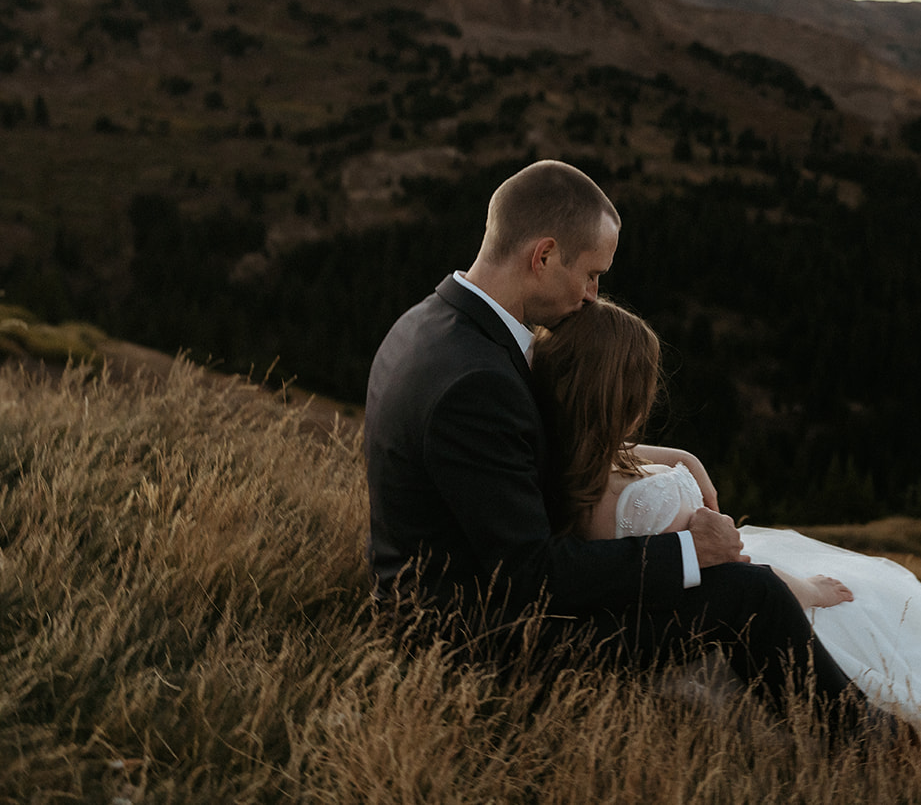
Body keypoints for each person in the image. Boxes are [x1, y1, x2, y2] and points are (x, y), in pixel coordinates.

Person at [531, 297, 921, 798]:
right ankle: (913, 752)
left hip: (714, 575)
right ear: (619, 394)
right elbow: (709, 574)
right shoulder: (613, 505)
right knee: (854, 608)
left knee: (876, 597)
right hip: (721, 589)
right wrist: (796, 588)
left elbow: (621, 466)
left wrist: (681, 458)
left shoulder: (587, 465)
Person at [362, 159, 873, 729]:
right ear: (544, 255)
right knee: (748, 595)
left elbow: (523, 471)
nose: (592, 296)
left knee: (743, 584)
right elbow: (531, 574)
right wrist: (688, 552)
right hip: (477, 645)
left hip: (456, 603)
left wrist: (673, 462)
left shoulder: (427, 324)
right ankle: (881, 752)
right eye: (591, 274)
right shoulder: (476, 381)